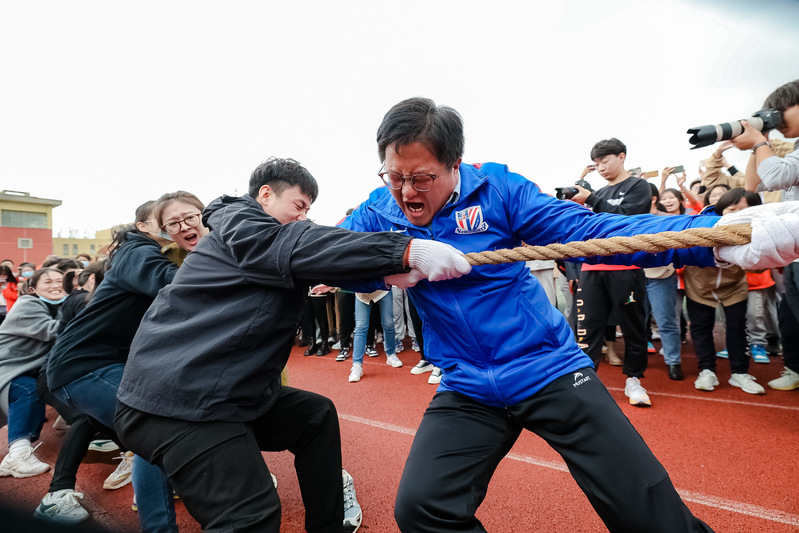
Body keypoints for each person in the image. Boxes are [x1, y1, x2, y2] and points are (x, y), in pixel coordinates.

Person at [341, 97, 799, 533]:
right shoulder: (378, 211)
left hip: (547, 367)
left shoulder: (498, 189)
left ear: (455, 164)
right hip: (468, 384)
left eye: (421, 178)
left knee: (647, 511)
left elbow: (592, 230)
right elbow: (329, 255)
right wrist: (394, 261)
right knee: (421, 508)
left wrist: (721, 235)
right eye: (393, 176)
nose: (405, 192)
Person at [113, 157, 469, 533]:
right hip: (179, 402)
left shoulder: (264, 243)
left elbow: (312, 254)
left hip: (225, 393)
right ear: (265, 195)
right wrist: (404, 251)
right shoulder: (245, 228)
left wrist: (382, 272)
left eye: (309, 211)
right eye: (299, 206)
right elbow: (298, 243)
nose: (303, 218)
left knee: (314, 417)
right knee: (250, 517)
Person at [568, 140, 654, 406]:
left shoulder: (638, 186)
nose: (601, 168)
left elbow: (628, 219)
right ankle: (587, 381)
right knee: (587, 328)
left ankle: (634, 379)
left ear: (621, 156)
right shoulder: (600, 191)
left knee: (633, 326)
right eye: (597, 164)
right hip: (592, 268)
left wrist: (592, 199)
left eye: (605, 161)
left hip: (626, 268)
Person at [736, 78, 799, 390]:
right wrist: (752, 148)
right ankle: (795, 369)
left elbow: (776, 175)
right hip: (796, 254)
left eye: (780, 112)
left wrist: (760, 140)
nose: (777, 121)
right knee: (791, 316)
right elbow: (753, 187)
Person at [687, 189, 764, 394]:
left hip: (734, 287)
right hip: (700, 287)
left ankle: (739, 373)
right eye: (732, 209)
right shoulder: (702, 223)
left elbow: (761, 264)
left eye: (745, 210)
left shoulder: (756, 229)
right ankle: (706, 370)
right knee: (701, 328)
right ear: (721, 209)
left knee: (738, 327)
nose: (738, 214)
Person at [0, 268, 65, 478]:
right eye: (48, 282)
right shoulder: (27, 304)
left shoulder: (64, 306)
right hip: (8, 369)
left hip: (32, 371)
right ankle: (17, 456)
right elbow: (54, 330)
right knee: (28, 392)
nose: (56, 285)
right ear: (32, 288)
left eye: (60, 281)